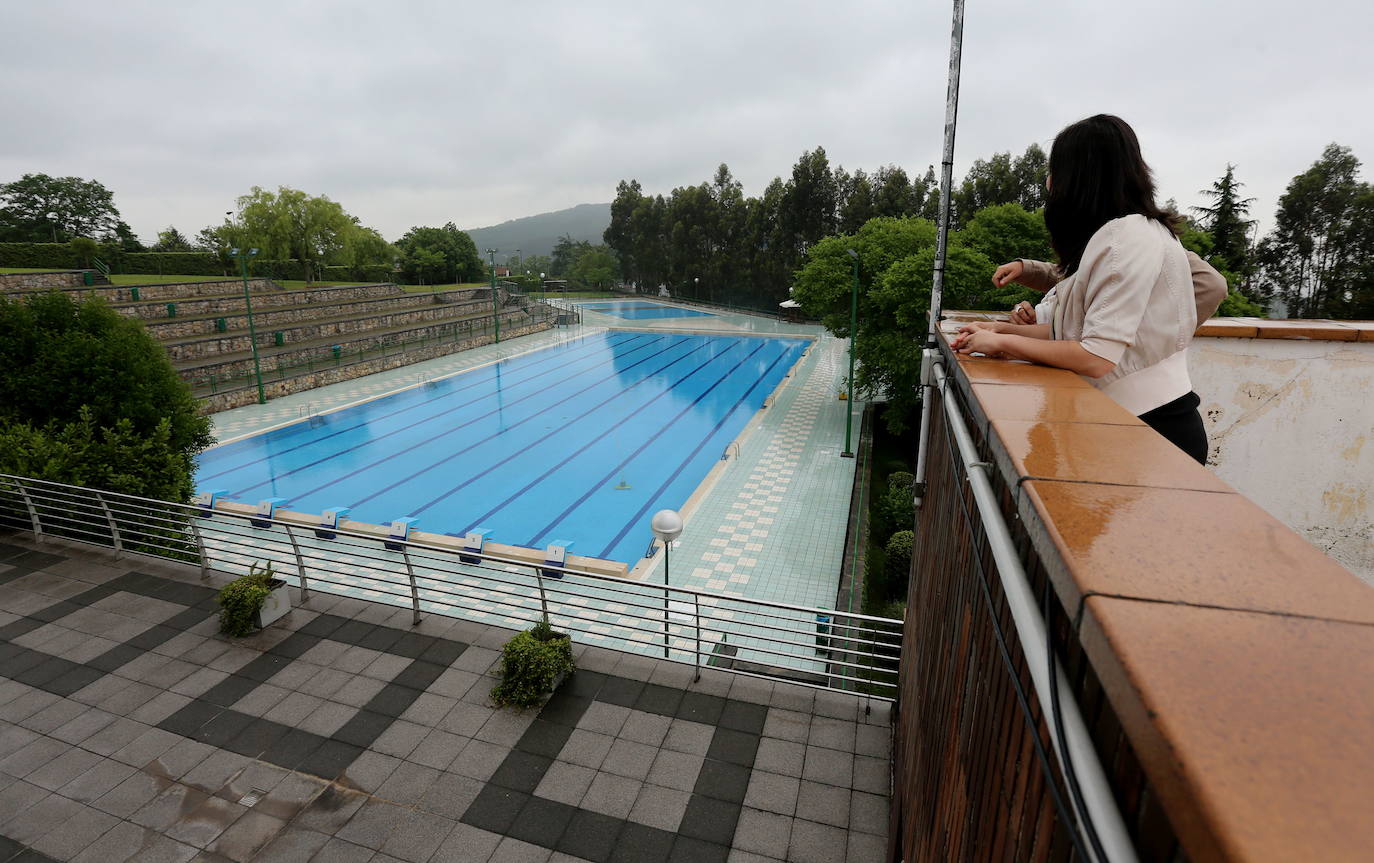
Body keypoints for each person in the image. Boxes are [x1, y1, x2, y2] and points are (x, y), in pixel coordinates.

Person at [951, 114, 1214, 464]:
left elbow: (1095, 356)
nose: (1049, 183)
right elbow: (1075, 333)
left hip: (1152, 431)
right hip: (1141, 423)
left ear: (1080, 177)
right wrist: (1000, 330)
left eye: (1056, 171)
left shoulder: (1126, 240)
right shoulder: (1128, 233)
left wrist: (1003, 343)